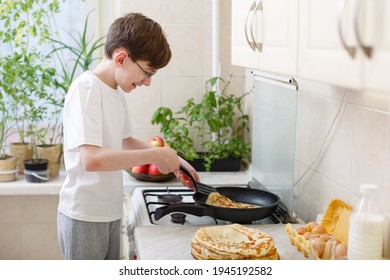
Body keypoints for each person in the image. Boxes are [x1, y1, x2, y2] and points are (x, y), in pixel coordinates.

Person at [57, 12, 199, 260]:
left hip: (109, 212)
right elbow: (91, 159)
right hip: (84, 216)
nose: (147, 82)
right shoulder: (87, 89)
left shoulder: (115, 92)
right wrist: (156, 153)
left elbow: (125, 142)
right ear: (121, 58)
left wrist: (177, 162)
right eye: (148, 72)